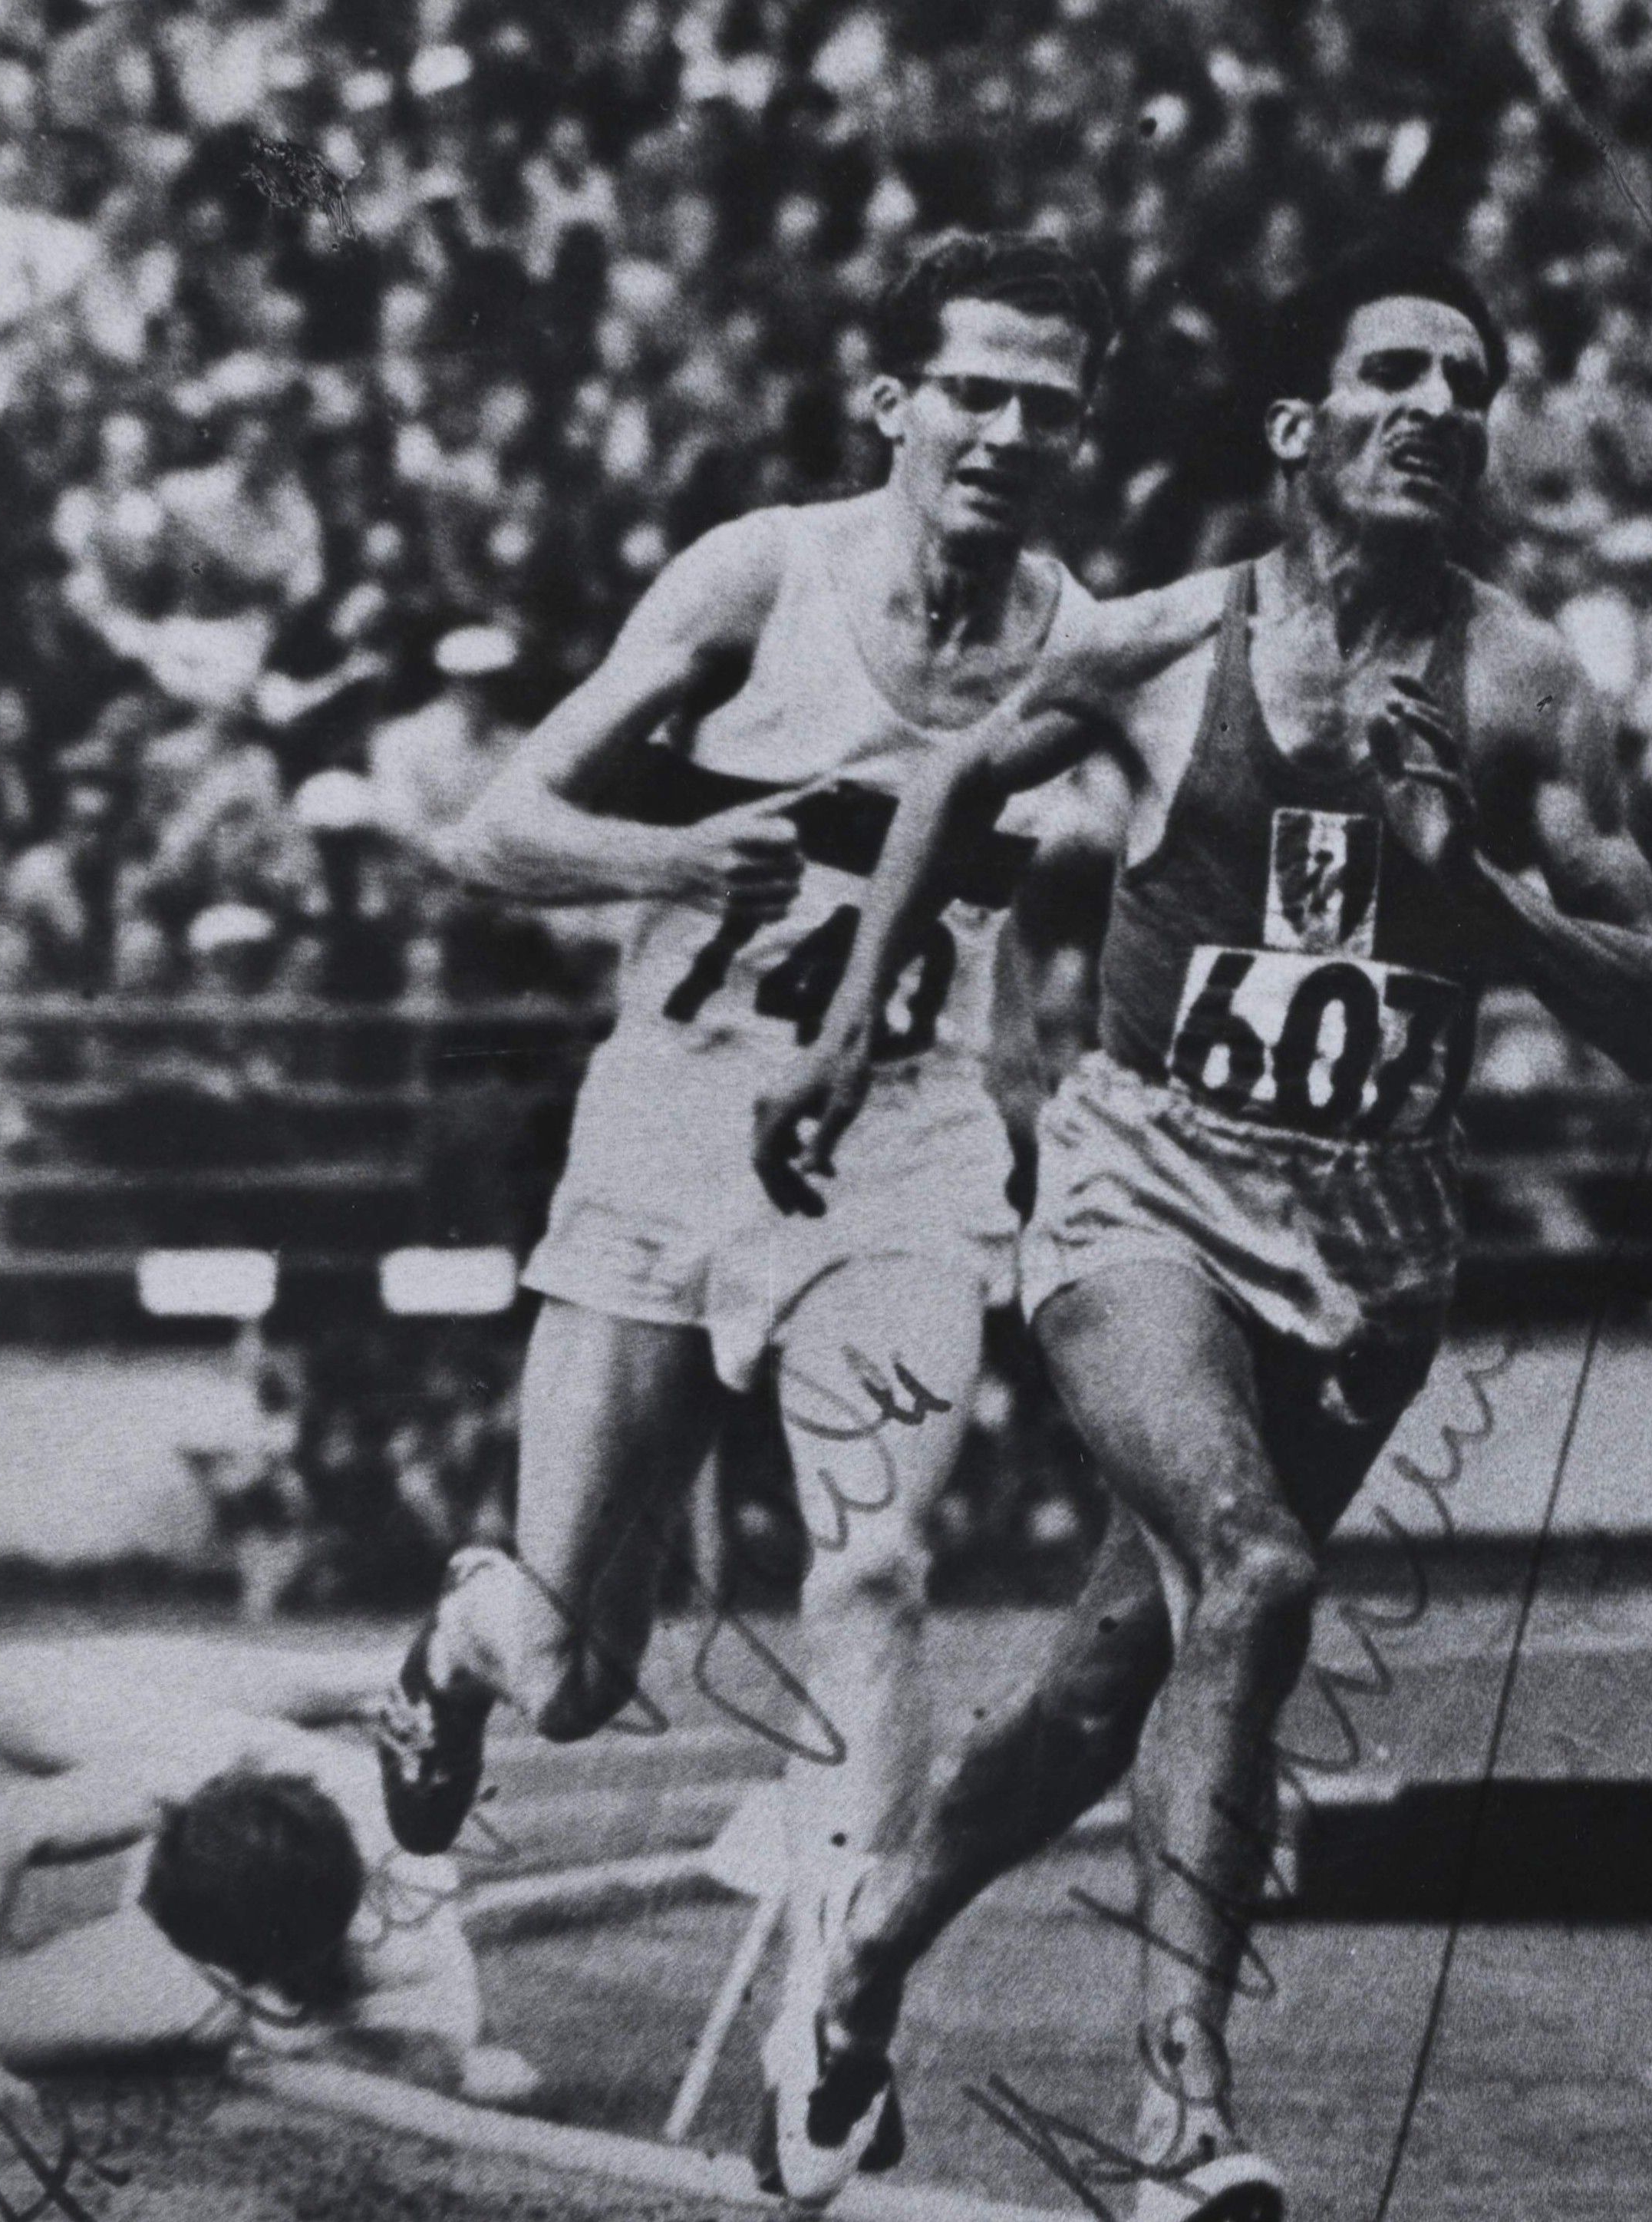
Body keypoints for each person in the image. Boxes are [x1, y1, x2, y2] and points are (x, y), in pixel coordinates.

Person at [750, 246, 1652, 2217]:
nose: (1437, 403)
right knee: (1249, 1567)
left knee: (1107, 1682)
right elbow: (940, 785)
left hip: (1371, 1231)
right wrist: (845, 1035)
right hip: (1143, 1180)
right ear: (1299, 429)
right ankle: (1182, 2097)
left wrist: (1477, 893)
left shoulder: (1522, 684)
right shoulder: (1173, 641)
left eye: (1469, 376)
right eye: (1391, 372)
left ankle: (858, 1967)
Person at [369, 233, 1116, 2161]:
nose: (1006, 429)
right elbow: (493, 826)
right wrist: (680, 852)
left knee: (869, 1569)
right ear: (893, 404)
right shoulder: (759, 573)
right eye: (973, 389)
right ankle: (457, 1638)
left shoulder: (1080, 638)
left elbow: (1054, 917)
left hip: (908, 1140)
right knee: (566, 1664)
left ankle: (834, 2029)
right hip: (672, 1130)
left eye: (1046, 400)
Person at [0, 1636, 534, 2108]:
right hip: (224, 1773)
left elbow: (473, 2065)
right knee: (7, 1688)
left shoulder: (413, 1923)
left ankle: (358, 1682)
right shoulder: (187, 1777)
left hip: (261, 1886)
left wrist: (307, 2037)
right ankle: (357, 1681)